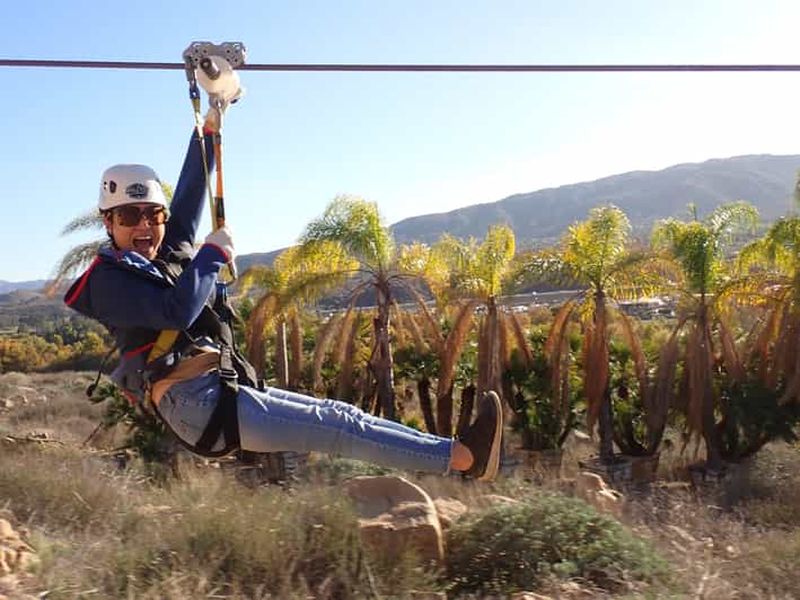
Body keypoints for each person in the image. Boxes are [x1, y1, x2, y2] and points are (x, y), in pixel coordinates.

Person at [64, 82, 503, 482]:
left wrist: (213, 122)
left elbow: (193, 189)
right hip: (197, 405)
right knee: (340, 430)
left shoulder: (166, 252)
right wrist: (213, 254)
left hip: (217, 389)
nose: (144, 226)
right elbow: (176, 311)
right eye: (128, 217)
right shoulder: (107, 282)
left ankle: (461, 453)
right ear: (108, 223)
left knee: (340, 414)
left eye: (152, 215)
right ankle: (464, 459)